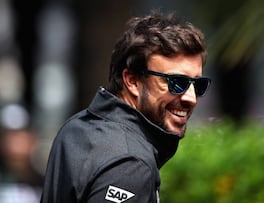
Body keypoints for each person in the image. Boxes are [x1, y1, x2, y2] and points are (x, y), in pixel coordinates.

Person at [40, 11, 211, 203]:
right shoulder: (131, 163)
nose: (191, 98)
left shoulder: (76, 128)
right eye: (176, 82)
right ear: (132, 81)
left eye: (198, 85)